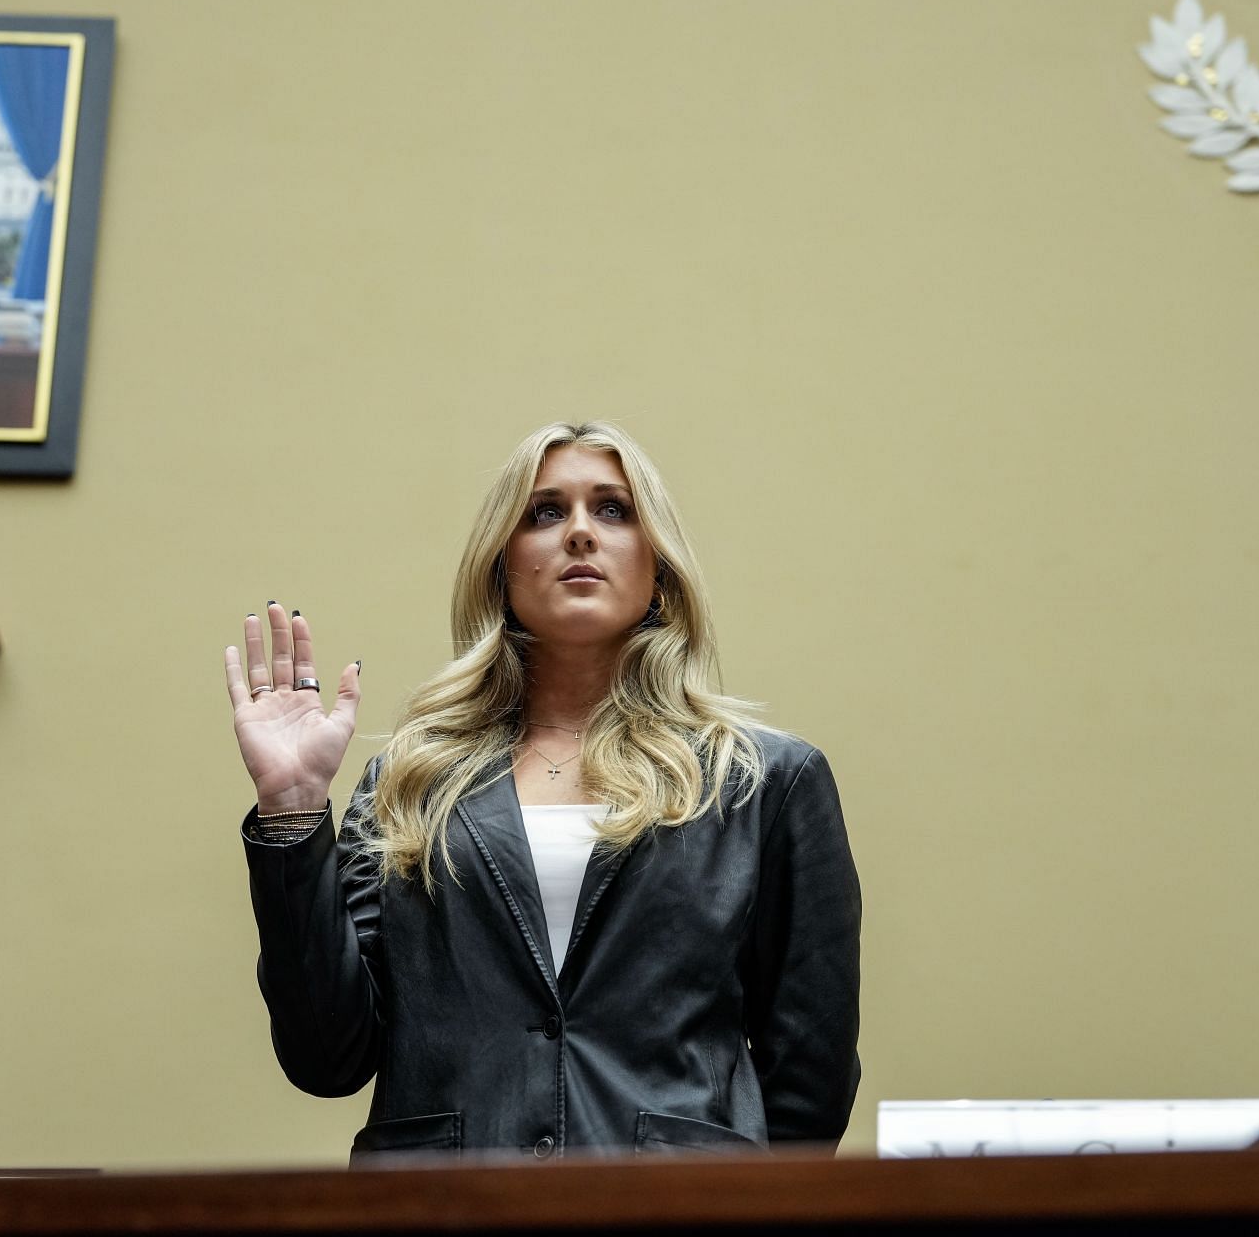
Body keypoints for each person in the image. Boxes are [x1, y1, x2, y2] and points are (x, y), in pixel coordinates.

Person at [224, 421, 862, 1161]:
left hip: (681, 1223)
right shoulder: (408, 785)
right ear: (502, 567)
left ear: (659, 568)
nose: (581, 533)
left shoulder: (765, 783)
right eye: (546, 512)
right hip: (445, 1214)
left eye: (615, 510)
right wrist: (293, 808)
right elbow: (326, 1057)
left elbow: (809, 1074)